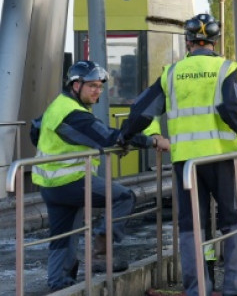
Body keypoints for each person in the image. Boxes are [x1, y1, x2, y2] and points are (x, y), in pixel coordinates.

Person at [120, 13, 237, 296]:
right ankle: (234, 287)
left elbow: (142, 110)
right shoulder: (225, 69)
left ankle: (198, 288)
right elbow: (231, 108)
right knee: (232, 221)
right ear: (215, 41)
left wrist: (125, 136)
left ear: (188, 42)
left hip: (186, 164)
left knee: (193, 226)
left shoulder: (172, 73)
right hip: (221, 158)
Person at [32, 60, 170, 291]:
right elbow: (107, 136)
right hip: (70, 181)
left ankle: (59, 284)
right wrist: (152, 140)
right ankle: (100, 255)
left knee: (63, 236)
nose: (98, 91)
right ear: (76, 85)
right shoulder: (73, 114)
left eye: (100, 86)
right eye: (92, 86)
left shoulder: (59, 105)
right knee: (123, 197)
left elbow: (35, 129)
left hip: (50, 183)